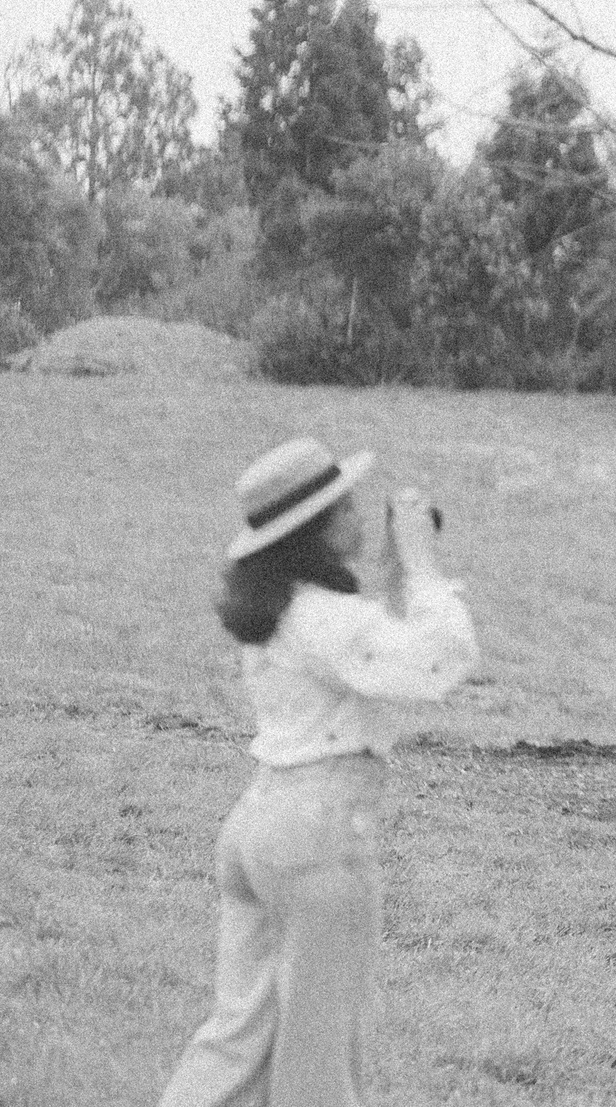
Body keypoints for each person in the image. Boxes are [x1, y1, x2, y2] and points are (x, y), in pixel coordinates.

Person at [158, 437, 478, 1107]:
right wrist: (424, 564)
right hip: (319, 838)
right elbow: (438, 661)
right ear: (319, 530)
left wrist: (396, 573)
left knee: (236, 1040)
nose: (359, 517)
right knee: (319, 1058)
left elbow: (373, 652)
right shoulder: (325, 617)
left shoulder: (282, 610)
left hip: (259, 825)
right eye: (347, 508)